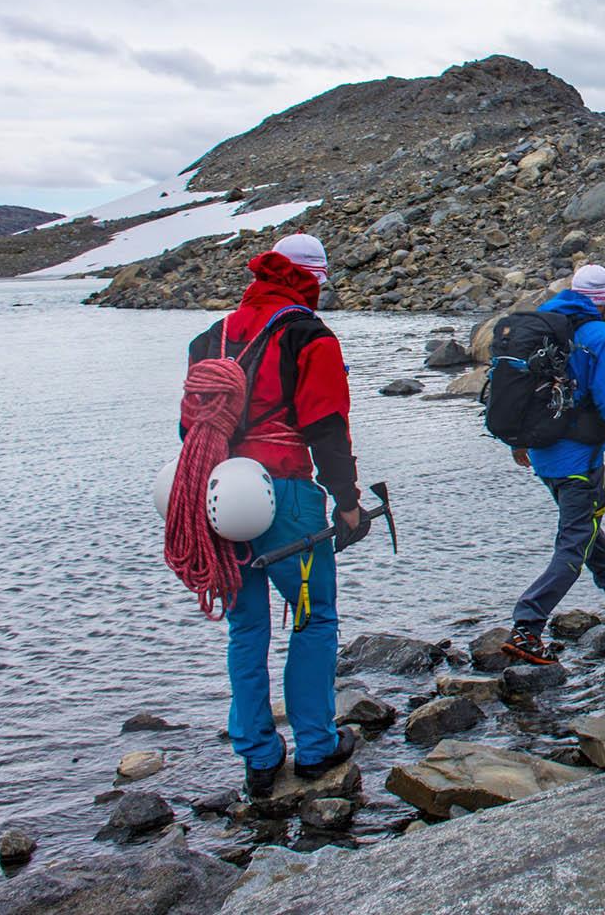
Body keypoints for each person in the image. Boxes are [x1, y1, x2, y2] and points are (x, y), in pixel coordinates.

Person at [182, 232, 367, 797]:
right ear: (309, 279)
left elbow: (191, 426)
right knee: (312, 619)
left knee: (247, 627)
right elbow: (325, 425)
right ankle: (315, 746)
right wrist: (348, 499)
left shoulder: (209, 338)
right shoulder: (310, 336)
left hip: (219, 497)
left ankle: (258, 757)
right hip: (287, 495)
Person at [502, 264, 605, 665]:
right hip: (579, 457)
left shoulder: (538, 328)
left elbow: (518, 390)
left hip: (541, 454)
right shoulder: (601, 335)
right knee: (573, 541)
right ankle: (527, 624)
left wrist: (518, 442)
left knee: (584, 525)